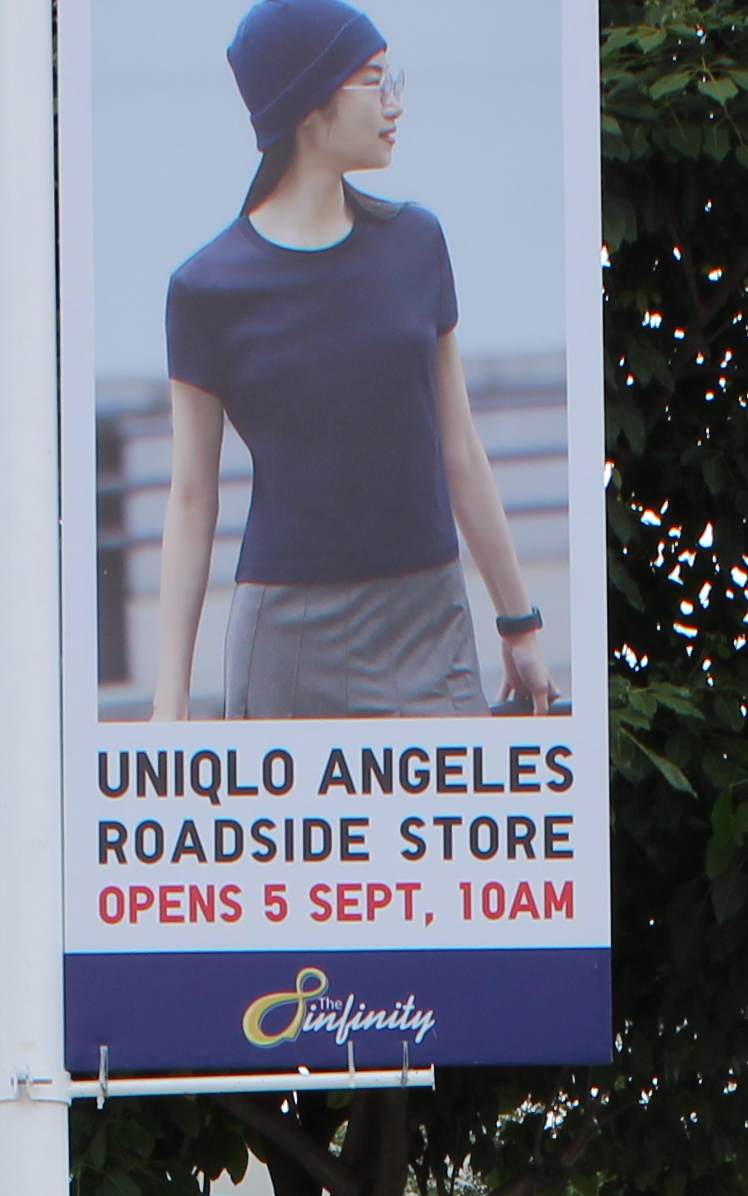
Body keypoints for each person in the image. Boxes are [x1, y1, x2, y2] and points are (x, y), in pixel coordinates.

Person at [149, 0, 562, 724]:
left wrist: (518, 623)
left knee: (449, 838)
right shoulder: (206, 288)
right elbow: (190, 500)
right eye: (374, 81)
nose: (394, 100)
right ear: (311, 103)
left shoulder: (416, 245)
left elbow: (459, 449)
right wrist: (168, 701)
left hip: (427, 619)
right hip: (285, 635)